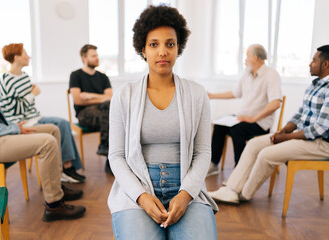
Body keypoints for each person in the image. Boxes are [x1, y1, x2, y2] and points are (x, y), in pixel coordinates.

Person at [108, 6, 218, 240]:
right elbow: (116, 156)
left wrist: (187, 193)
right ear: (143, 50)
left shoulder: (197, 94)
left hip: (187, 187)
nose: (163, 52)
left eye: (170, 44)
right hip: (136, 189)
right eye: (154, 44)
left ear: (179, 49)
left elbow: (203, 152)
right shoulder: (123, 95)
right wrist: (141, 196)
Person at [0, 32, 86, 221]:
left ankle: (56, 186)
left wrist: (14, 126)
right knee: (47, 142)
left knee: (53, 129)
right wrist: (14, 129)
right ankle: (54, 206)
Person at [208, 45, 329, 204]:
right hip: (300, 137)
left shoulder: (325, 88)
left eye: (313, 60)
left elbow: (320, 128)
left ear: (326, 64)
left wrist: (286, 137)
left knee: (266, 155)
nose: (309, 64)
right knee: (253, 144)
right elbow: (299, 115)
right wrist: (283, 131)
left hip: (319, 143)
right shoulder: (313, 86)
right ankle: (231, 188)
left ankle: (244, 193)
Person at [0, 43, 85, 183]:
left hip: (34, 118)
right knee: (61, 124)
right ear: (16, 57)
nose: (28, 56)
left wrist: (30, 96)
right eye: (25, 54)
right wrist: (32, 93)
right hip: (21, 123)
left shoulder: (25, 76)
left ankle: (67, 168)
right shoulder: (5, 80)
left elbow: (27, 106)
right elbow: (13, 110)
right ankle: (67, 169)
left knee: (63, 124)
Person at [207, 44, 282, 176]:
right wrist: (212, 96)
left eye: (247, 56)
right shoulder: (247, 73)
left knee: (237, 130)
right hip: (242, 117)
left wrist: (253, 118)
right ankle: (214, 164)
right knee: (219, 125)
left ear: (255, 58)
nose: (245, 59)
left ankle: (240, 172)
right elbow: (235, 93)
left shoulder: (271, 75)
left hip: (259, 122)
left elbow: (276, 103)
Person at [69, 44, 112, 173]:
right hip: (84, 114)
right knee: (113, 117)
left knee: (109, 109)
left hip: (104, 112)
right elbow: (78, 100)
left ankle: (106, 148)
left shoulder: (103, 77)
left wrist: (89, 95)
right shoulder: (75, 75)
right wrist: (101, 98)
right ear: (84, 58)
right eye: (93, 56)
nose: (97, 58)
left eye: (97, 55)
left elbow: (110, 98)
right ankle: (110, 157)